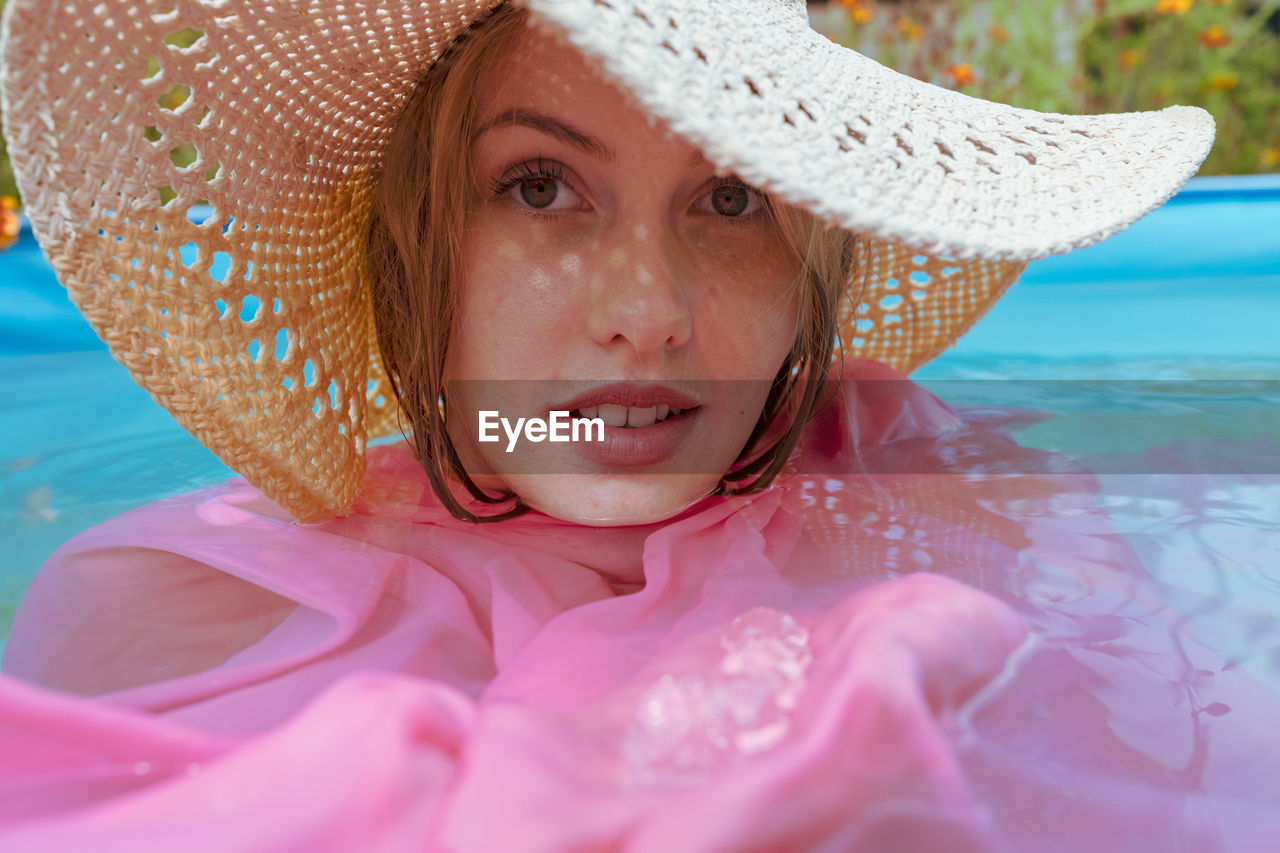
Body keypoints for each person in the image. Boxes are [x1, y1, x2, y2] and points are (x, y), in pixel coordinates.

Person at [3, 0, 1276, 850]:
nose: (647, 314)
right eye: (539, 186)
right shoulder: (188, 613)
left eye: (729, 197)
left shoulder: (921, 466)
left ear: (808, 262)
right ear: (410, 253)